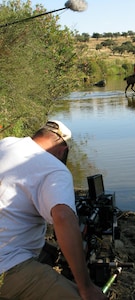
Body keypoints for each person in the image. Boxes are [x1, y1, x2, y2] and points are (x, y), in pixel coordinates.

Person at [0, 120, 107, 300]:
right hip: (7, 265)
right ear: (63, 150)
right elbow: (63, 218)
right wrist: (86, 287)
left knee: (47, 254)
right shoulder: (54, 168)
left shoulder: (6, 143)